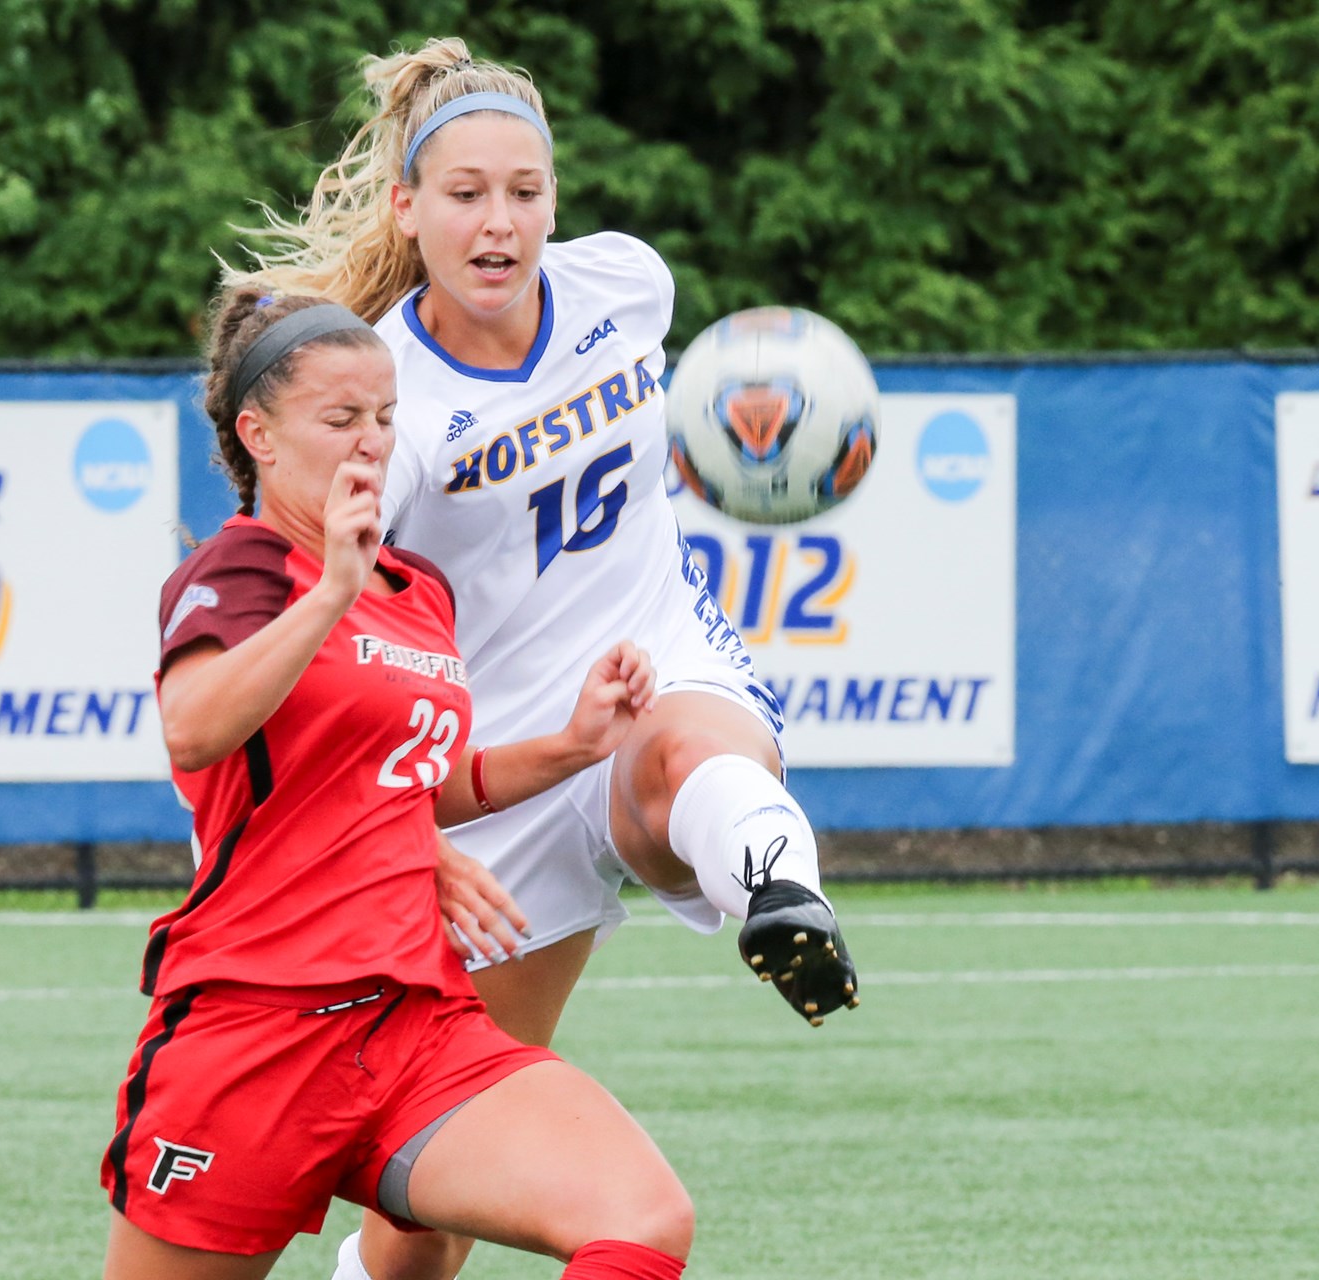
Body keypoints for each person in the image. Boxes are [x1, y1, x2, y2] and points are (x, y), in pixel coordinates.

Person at [230, 36, 862, 1280]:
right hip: (494, 776)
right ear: (407, 208)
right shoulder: (387, 402)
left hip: (643, 670)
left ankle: (781, 893)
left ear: (557, 201)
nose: (500, 220)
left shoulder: (629, 285)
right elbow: (312, 642)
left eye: (526, 190)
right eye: (465, 194)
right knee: (430, 1214)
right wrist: (408, 834)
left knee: (689, 755)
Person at [100, 286, 694, 1280]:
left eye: (385, 415)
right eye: (340, 419)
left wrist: (573, 743)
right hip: (255, 1031)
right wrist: (330, 584)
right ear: (260, 435)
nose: (372, 441)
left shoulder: (416, 586)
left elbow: (410, 775)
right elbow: (193, 728)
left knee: (641, 1215)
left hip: (412, 1023)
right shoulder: (243, 567)